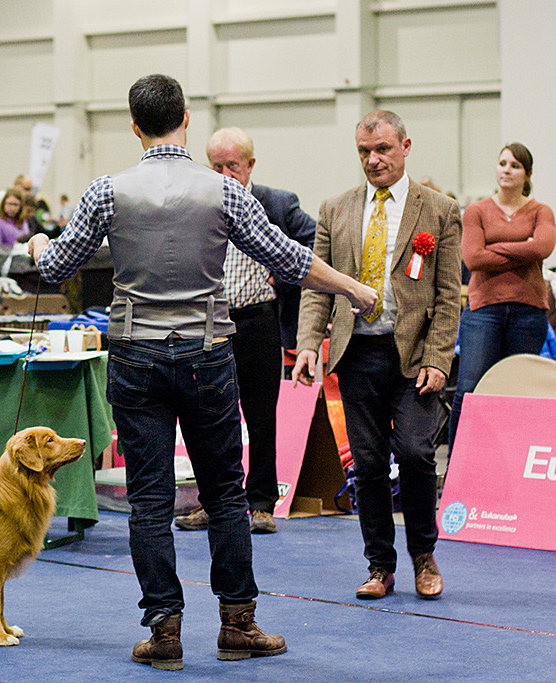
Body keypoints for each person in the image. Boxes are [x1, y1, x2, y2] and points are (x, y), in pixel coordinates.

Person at [29, 74, 376, 669]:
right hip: (208, 353)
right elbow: (286, 257)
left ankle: (164, 632)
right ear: (186, 119)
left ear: (135, 126)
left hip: (136, 355)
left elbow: (56, 265)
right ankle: (237, 623)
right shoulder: (224, 192)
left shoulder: (106, 191)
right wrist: (351, 287)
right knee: (224, 496)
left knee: (149, 501)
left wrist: (37, 246)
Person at [292, 110, 462, 602]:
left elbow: (449, 295)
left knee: (415, 452)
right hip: (356, 353)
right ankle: (379, 566)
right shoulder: (334, 209)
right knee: (366, 465)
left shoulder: (440, 210)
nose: (373, 160)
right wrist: (308, 344)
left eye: (383, 149)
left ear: (405, 147)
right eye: (364, 151)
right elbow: (315, 288)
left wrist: (438, 358)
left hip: (414, 358)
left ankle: (424, 555)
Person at [175, 126, 317, 535]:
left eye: (231, 165)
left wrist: (284, 276)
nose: (223, 173)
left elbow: (314, 241)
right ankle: (214, 502)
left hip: (257, 321)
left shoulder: (276, 202)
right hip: (209, 324)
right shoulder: (200, 200)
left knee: (260, 416)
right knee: (207, 419)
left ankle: (260, 503)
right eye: (215, 165)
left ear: (250, 164)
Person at [449, 143, 556, 449]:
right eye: (503, 163)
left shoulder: (541, 211)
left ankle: (512, 457)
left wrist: (493, 248)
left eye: (515, 165)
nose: (507, 170)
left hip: (529, 312)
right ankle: (458, 460)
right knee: (469, 388)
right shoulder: (477, 211)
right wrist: (524, 247)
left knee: (518, 390)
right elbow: (472, 259)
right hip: (484, 311)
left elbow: (543, 248)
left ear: (527, 174)